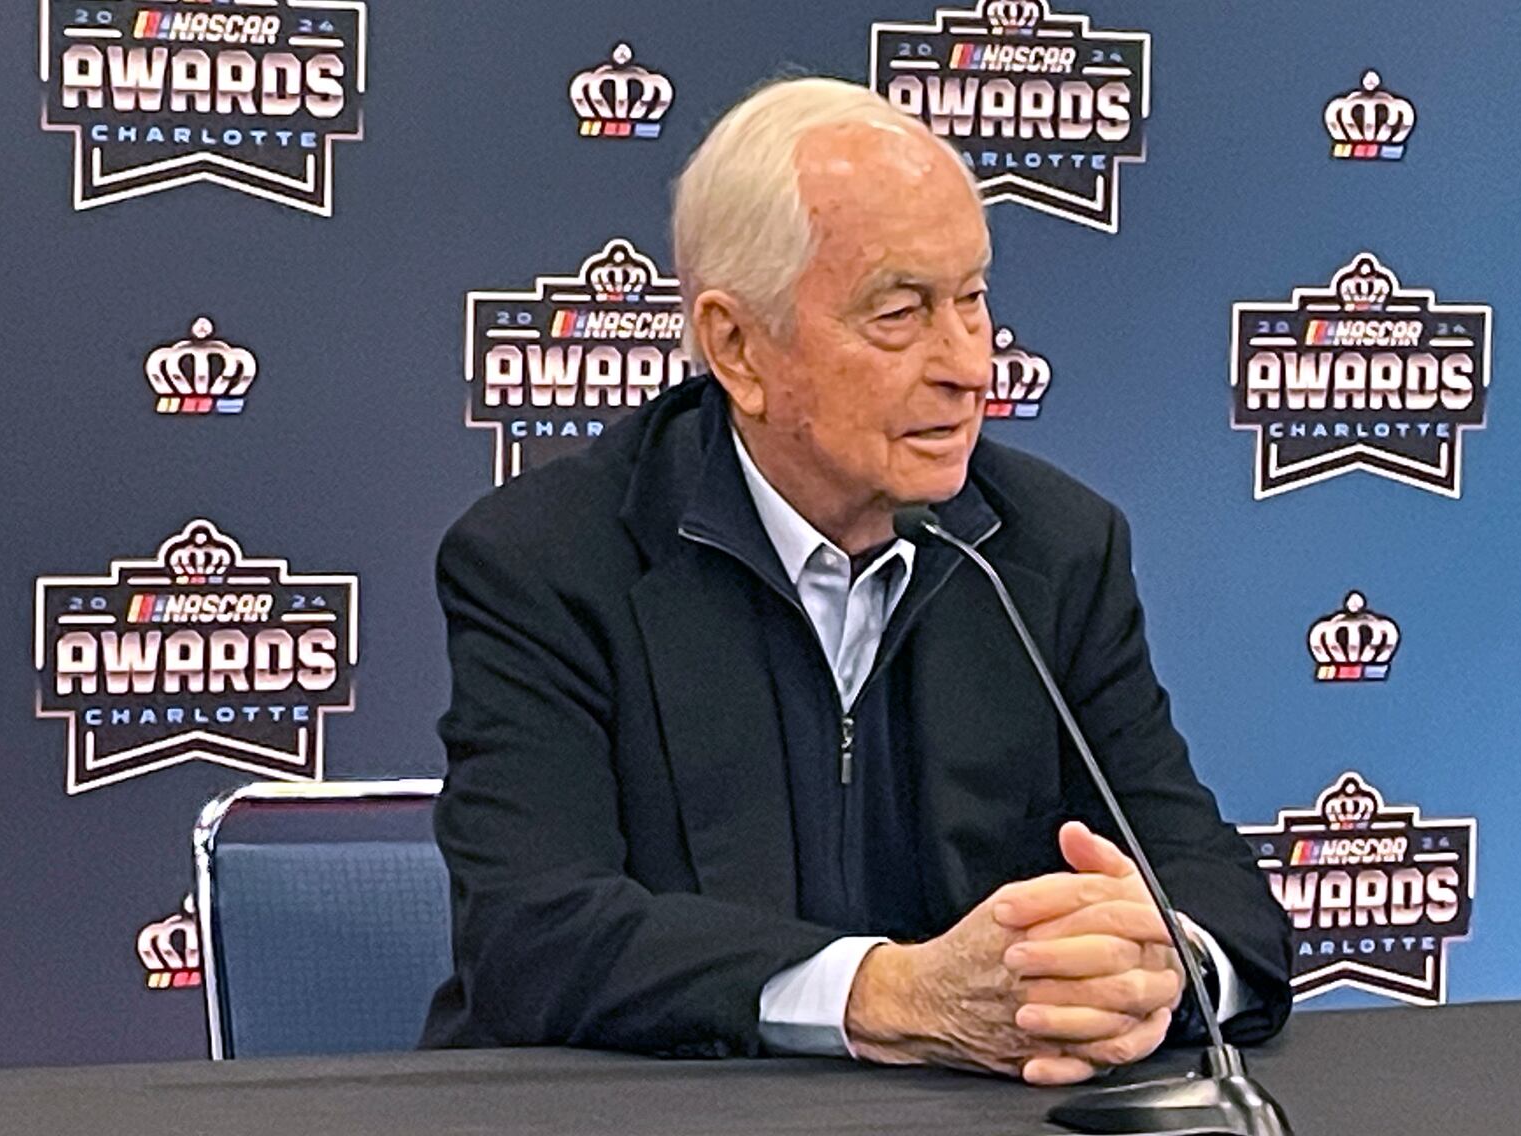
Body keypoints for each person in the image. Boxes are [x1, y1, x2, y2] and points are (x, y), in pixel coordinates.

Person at [421, 77, 1292, 1085]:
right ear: (737, 346)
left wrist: (1153, 967)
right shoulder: (549, 557)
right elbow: (532, 935)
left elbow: (1217, 893)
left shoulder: (1049, 548)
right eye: (899, 311)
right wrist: (886, 992)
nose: (969, 364)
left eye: (971, 299)